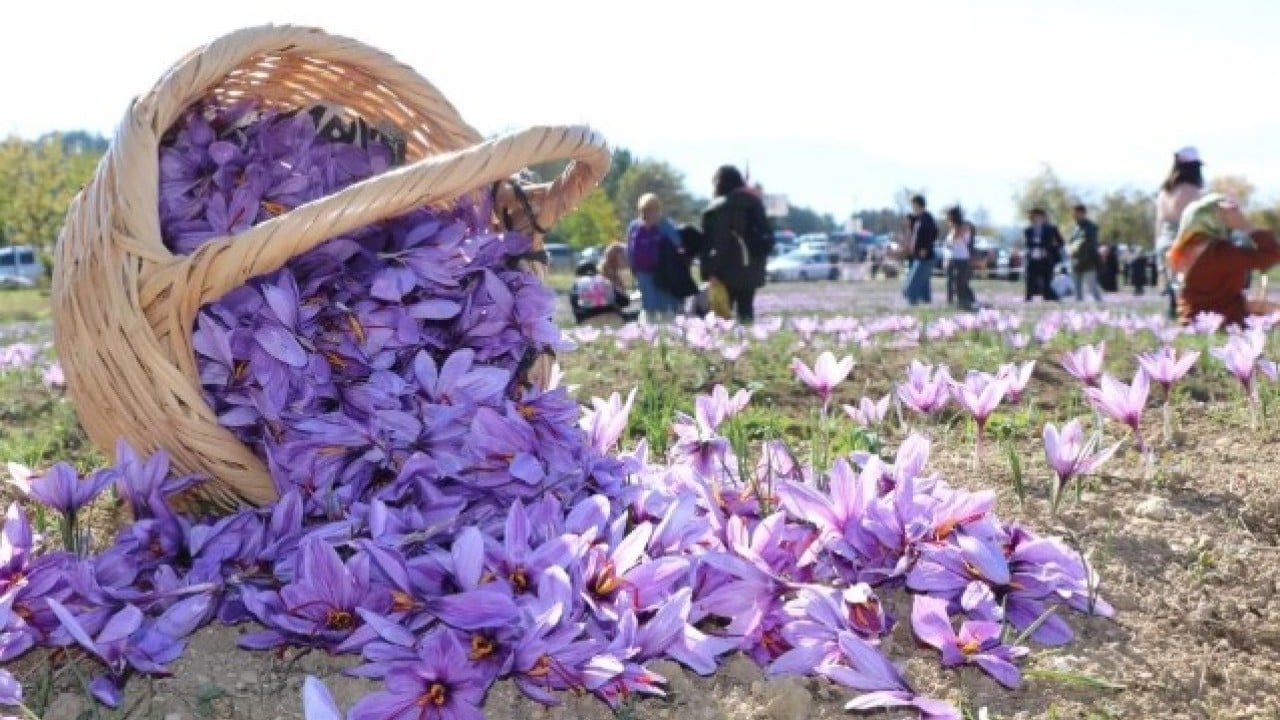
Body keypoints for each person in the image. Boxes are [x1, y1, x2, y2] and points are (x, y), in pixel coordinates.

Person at [1168, 193, 1280, 327]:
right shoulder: (1219, 253)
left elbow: (1209, 298)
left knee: (1264, 306)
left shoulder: (1182, 251)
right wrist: (1244, 225)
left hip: (1192, 320)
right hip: (1222, 322)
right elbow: (1271, 254)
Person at [700, 165, 774, 322]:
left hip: (728, 270)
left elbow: (720, 242)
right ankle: (748, 343)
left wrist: (711, 271)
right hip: (752, 269)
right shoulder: (755, 203)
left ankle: (728, 345)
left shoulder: (720, 207)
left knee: (723, 316)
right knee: (746, 312)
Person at [1156, 147, 1206, 317]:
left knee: (1172, 293)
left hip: (1164, 241)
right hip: (1185, 242)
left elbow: (1159, 222)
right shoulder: (1193, 192)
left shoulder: (1164, 191)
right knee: (1187, 293)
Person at [626, 194, 682, 318]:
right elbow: (677, 242)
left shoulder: (634, 226)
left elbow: (629, 251)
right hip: (663, 271)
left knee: (649, 307)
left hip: (643, 272)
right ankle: (668, 332)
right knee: (667, 307)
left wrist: (633, 269)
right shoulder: (664, 224)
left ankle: (651, 332)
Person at [569, 250, 631, 326]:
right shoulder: (604, 281)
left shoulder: (577, 285)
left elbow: (576, 307)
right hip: (611, 318)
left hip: (589, 320)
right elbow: (625, 301)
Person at [903, 195, 938, 305]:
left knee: (911, 286)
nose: (912, 207)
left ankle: (913, 304)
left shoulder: (927, 218)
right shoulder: (917, 219)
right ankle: (925, 304)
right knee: (923, 285)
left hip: (925, 256)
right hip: (917, 255)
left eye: (913, 204)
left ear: (918, 204)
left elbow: (932, 233)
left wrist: (925, 248)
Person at [1023, 208, 1064, 301]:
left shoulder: (1051, 229)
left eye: (1039, 216)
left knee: (1046, 281)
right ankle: (1028, 298)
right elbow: (1028, 244)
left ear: (1043, 217)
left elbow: (1060, 242)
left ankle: (1050, 297)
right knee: (1030, 279)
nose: (1036, 219)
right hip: (1033, 258)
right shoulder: (1028, 230)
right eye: (1034, 217)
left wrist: (1052, 248)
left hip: (1046, 259)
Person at [944, 205, 977, 310]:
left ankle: (967, 302)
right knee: (951, 282)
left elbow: (955, 237)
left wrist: (954, 228)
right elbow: (949, 244)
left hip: (962, 259)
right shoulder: (952, 229)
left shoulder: (964, 226)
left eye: (948, 215)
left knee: (961, 283)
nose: (947, 218)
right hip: (952, 258)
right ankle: (951, 302)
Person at [1068, 204, 1102, 302]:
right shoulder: (1075, 229)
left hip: (1088, 262)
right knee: (1077, 288)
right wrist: (1070, 251)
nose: (1074, 216)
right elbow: (1071, 242)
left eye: (1076, 213)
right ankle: (1078, 309)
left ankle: (1100, 305)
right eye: (1074, 214)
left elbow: (1092, 245)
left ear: (1082, 213)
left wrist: (1083, 256)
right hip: (1075, 261)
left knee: (1092, 287)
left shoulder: (1091, 227)